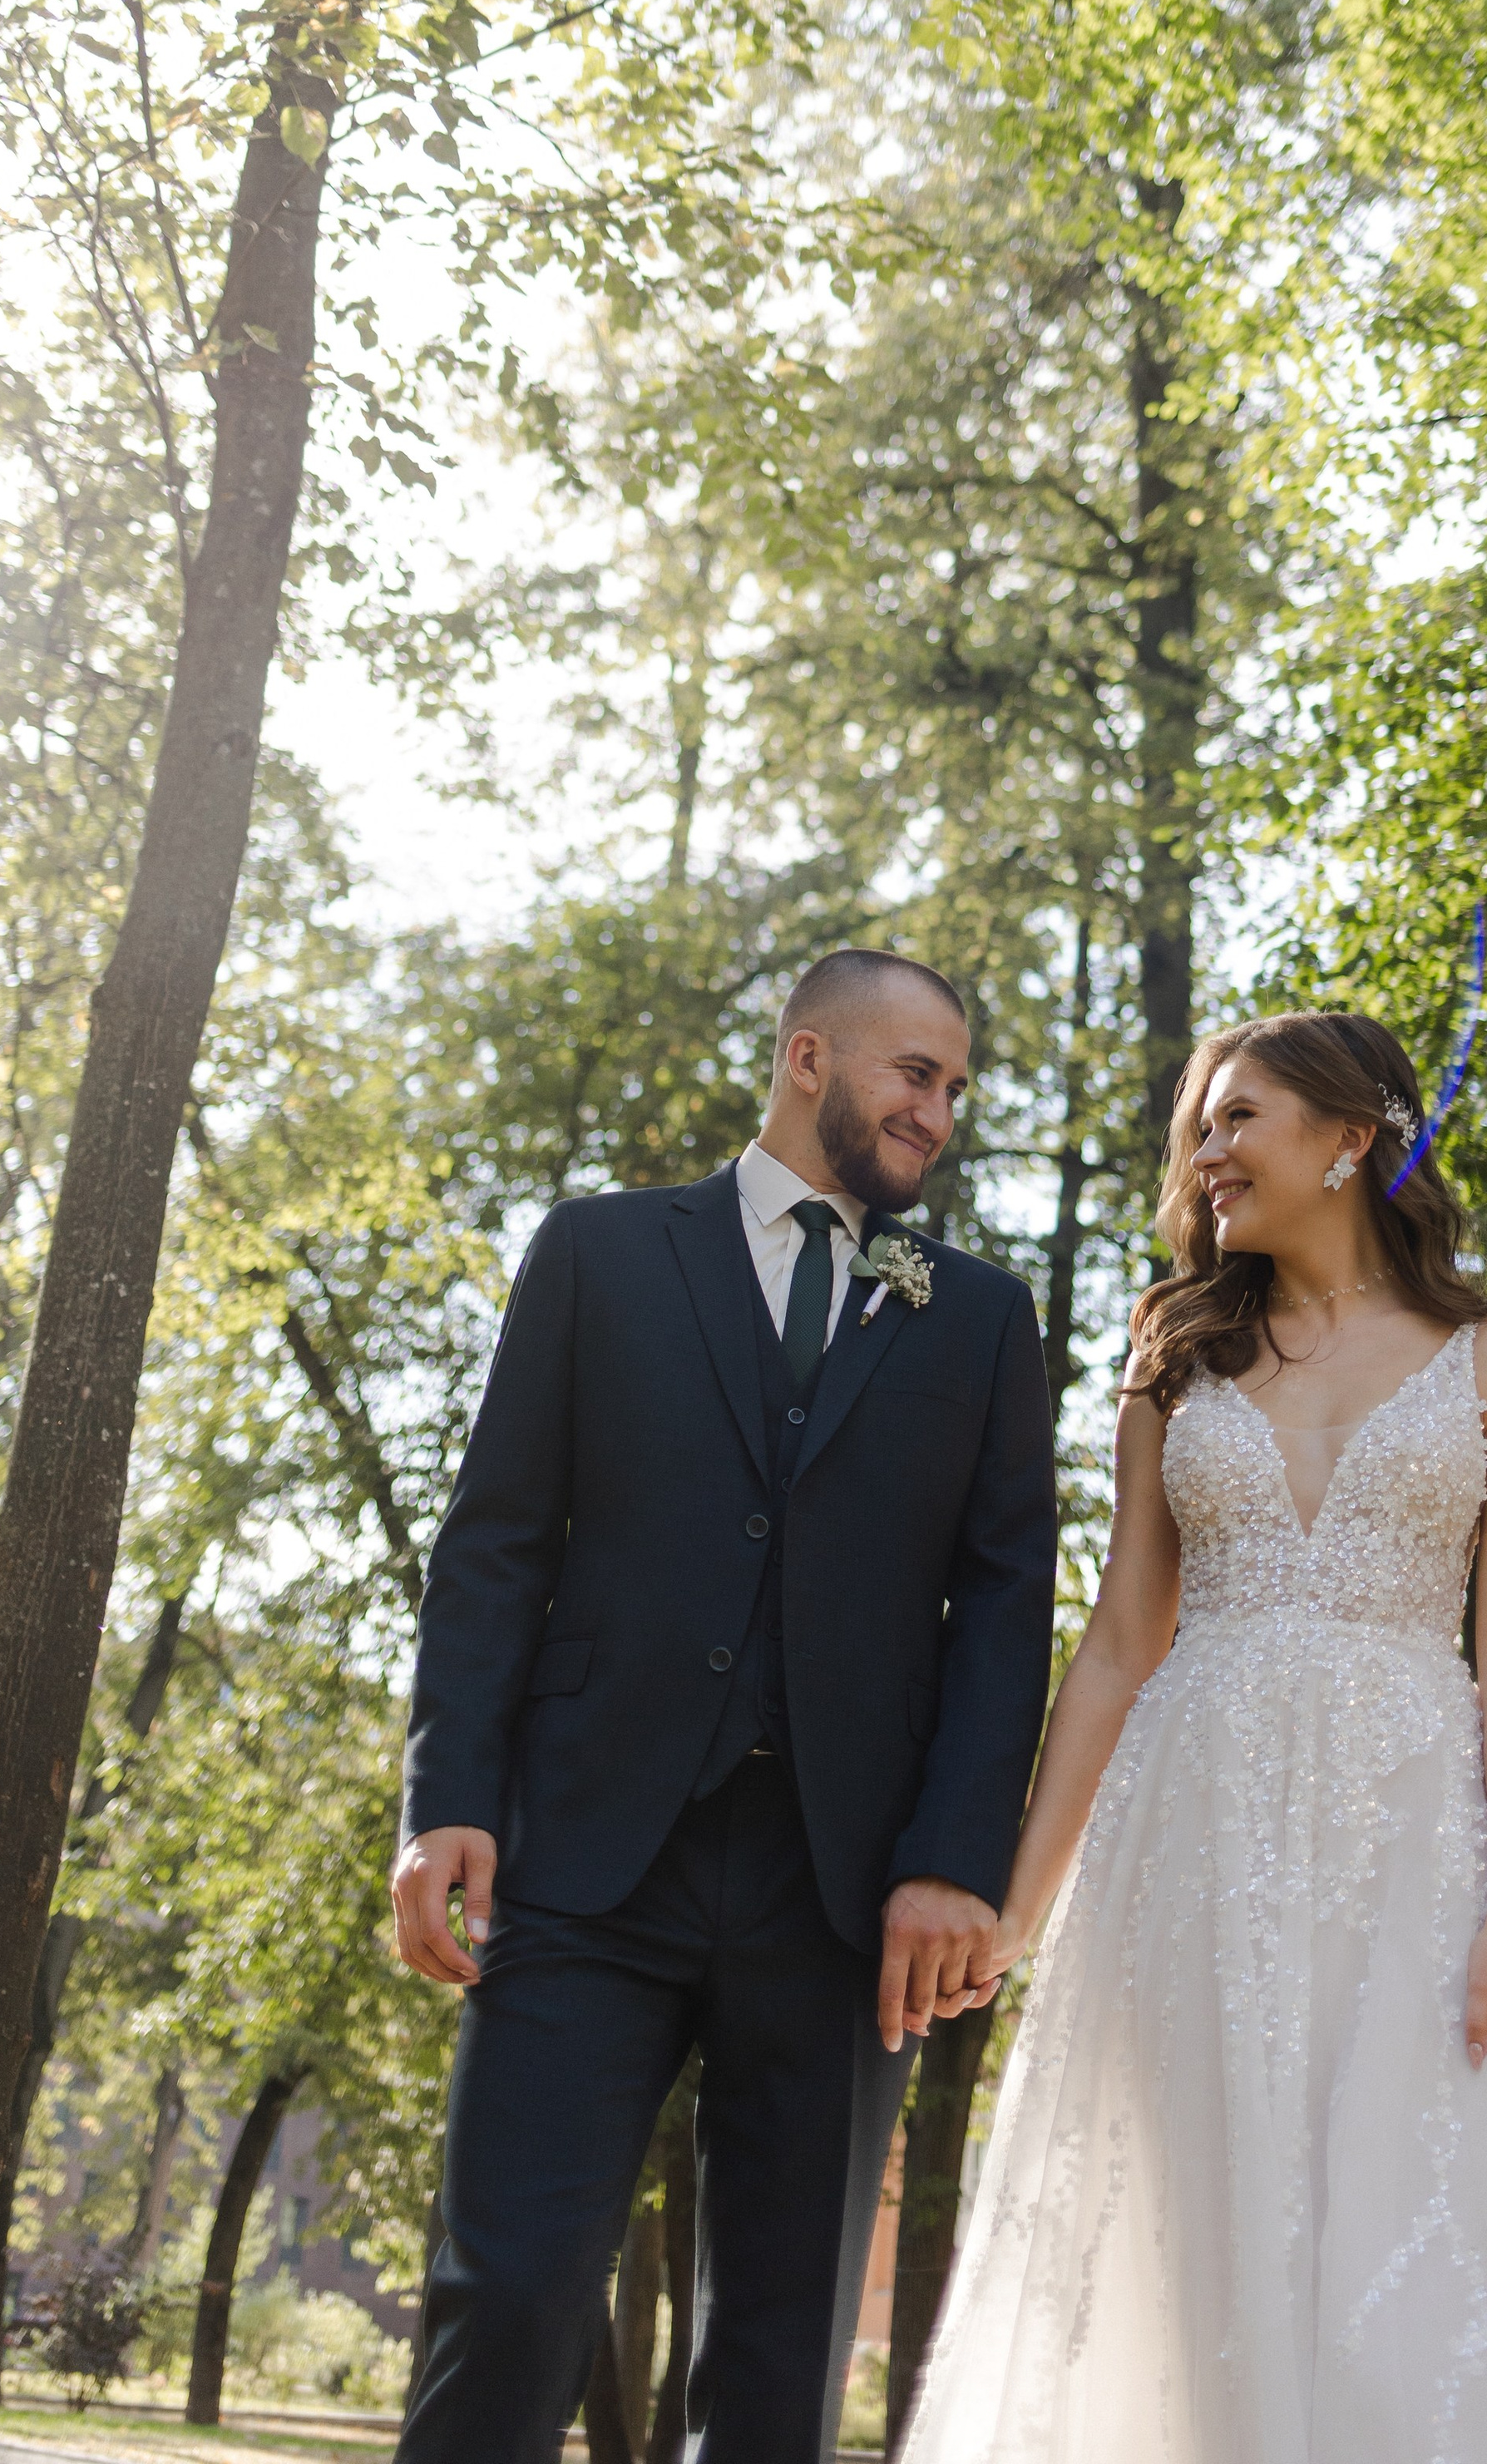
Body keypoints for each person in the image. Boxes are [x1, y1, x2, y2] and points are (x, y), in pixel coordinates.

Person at [900, 1009, 1487, 2464]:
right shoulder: (1175, 1353)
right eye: (1200, 1128)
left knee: (1421, 2235)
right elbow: (1119, 1644)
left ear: (1348, 1141)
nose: (1206, 1153)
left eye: (1239, 1118)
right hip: (1191, 1839)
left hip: (1414, 1842)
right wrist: (1022, 1904)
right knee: (1197, 2236)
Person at [389, 947, 1058, 2464]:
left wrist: (953, 1859)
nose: (940, 1115)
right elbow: (494, 1548)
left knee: (778, 2356)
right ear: (810, 1058)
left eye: (957, 1090)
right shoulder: (598, 1253)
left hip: (842, 1902)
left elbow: (1005, 1610)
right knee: (504, 2303)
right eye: (916, 1074)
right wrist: (448, 1806)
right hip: (580, 1862)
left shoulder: (979, 1318)